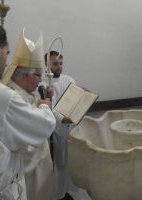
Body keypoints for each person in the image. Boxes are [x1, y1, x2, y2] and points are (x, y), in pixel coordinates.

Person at [0, 19, 55, 200]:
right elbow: (44, 126)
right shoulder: (2, 96)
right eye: (6, 53)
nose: (6, 61)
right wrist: (44, 107)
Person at [3, 29, 54, 200]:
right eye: (38, 76)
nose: (41, 80)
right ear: (24, 75)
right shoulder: (13, 98)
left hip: (39, 169)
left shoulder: (25, 91)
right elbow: (30, 138)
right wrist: (43, 108)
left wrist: (39, 103)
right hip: (27, 173)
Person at [43, 50, 91, 200]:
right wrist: (61, 120)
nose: (59, 67)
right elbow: (47, 107)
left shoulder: (69, 79)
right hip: (54, 130)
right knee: (59, 164)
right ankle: (57, 194)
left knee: (72, 162)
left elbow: (75, 101)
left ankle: (69, 191)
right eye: (55, 64)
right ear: (47, 65)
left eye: (61, 63)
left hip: (71, 129)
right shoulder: (44, 83)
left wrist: (84, 96)